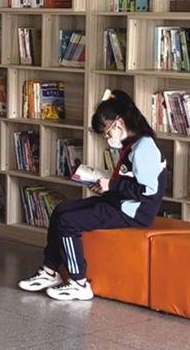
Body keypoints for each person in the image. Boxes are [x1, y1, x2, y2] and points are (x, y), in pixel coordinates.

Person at [18, 89, 166, 301]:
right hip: (119, 203)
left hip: (133, 212)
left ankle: (79, 282)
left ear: (119, 124)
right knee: (61, 210)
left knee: (69, 222)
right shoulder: (131, 145)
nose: (107, 139)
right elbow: (128, 182)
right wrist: (105, 186)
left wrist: (112, 185)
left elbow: (146, 192)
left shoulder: (144, 148)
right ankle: (49, 271)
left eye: (107, 134)